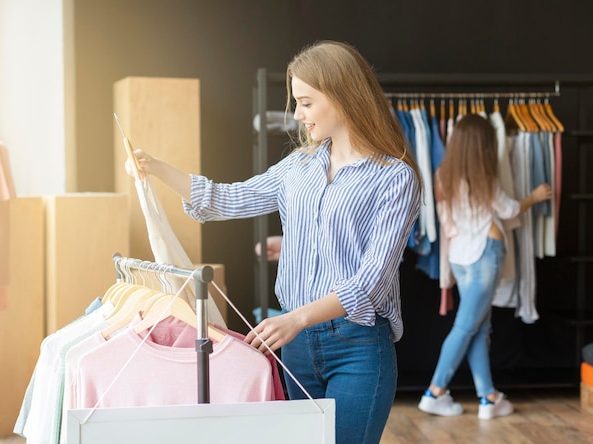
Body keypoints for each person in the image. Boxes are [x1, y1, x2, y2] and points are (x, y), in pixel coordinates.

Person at [126, 40, 422, 443]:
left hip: (358, 347)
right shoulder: (299, 165)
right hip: (297, 346)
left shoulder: (395, 178)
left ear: (342, 96)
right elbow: (225, 198)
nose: (297, 115)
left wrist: (296, 318)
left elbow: (370, 283)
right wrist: (156, 168)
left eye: (306, 102)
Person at [418, 113, 552, 420]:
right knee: (467, 327)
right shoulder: (484, 179)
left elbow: (446, 221)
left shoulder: (442, 177)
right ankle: (434, 392)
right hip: (485, 255)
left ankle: (488, 397)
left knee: (477, 327)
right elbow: (510, 209)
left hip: (460, 258)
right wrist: (534, 196)